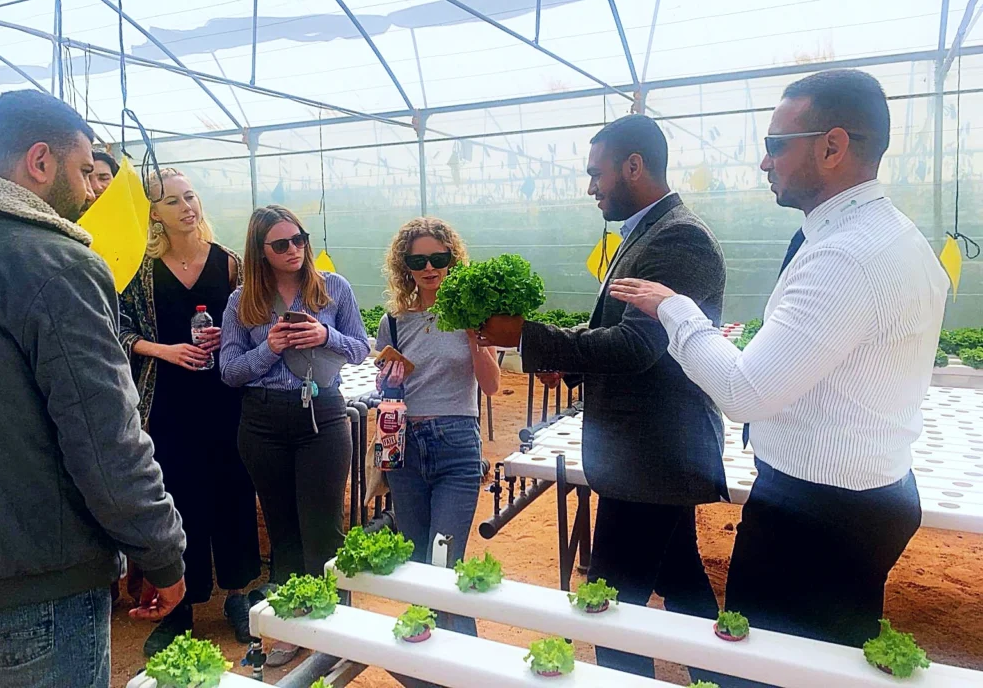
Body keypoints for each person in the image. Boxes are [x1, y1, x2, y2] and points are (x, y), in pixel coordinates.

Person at [609, 70, 948, 677]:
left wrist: (674, 310)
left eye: (775, 144)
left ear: (832, 146)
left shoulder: (847, 254)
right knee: (819, 668)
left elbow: (746, 391)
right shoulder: (887, 237)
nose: (764, 163)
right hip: (862, 497)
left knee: (764, 671)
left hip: (818, 516)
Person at [477, 114, 727, 683]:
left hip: (653, 457)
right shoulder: (650, 231)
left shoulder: (678, 238)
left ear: (633, 167)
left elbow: (640, 347)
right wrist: (567, 361)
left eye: (597, 174)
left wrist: (527, 337)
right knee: (681, 582)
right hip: (650, 457)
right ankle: (725, 676)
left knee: (608, 605)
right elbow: (631, 345)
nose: (591, 187)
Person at [0, 90, 186, 687]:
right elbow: (106, 436)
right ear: (39, 161)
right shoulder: (55, 262)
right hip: (38, 582)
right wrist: (161, 553)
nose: (92, 191)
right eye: (86, 171)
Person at [221, 205, 370, 667]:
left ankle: (332, 633)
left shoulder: (332, 289)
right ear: (260, 252)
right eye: (281, 244)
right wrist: (270, 347)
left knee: (324, 531)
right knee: (283, 534)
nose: (294, 250)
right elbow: (229, 371)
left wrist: (324, 335)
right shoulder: (241, 302)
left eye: (299, 239)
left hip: (321, 417)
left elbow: (362, 348)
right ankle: (288, 625)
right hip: (262, 422)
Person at [119, 168, 261, 655]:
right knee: (180, 499)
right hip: (168, 401)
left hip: (226, 397)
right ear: (153, 213)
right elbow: (116, 331)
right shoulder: (137, 269)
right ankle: (181, 606)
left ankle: (238, 595)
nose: (187, 207)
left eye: (191, 196)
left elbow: (253, 324)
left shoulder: (229, 264)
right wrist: (165, 350)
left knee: (235, 491)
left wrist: (230, 337)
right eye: (172, 200)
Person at [375, 217, 501, 640]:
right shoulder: (392, 322)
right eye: (418, 260)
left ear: (452, 259)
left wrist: (472, 336)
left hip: (456, 444)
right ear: (404, 266)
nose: (429, 268)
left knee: (445, 561)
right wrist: (388, 380)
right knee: (417, 565)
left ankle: (463, 665)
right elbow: (386, 387)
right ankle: (431, 666)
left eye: (438, 258)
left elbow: (493, 385)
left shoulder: (475, 315)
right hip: (404, 443)